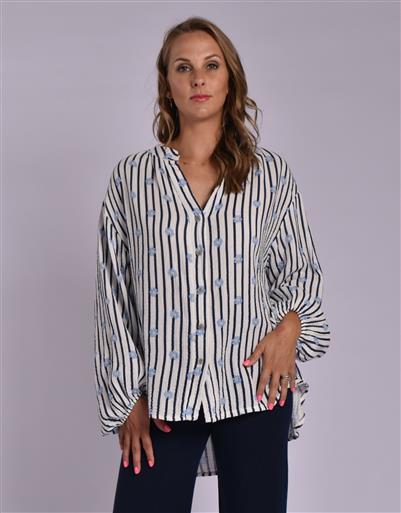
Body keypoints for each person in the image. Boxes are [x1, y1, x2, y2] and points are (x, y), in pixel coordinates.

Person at [94, 16, 331, 513]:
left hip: (254, 388)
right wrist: (126, 398)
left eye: (211, 65)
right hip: (164, 395)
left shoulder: (270, 175)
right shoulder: (133, 180)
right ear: (167, 84)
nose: (198, 78)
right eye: (184, 67)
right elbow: (113, 295)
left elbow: (300, 271)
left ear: (230, 79)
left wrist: (291, 326)